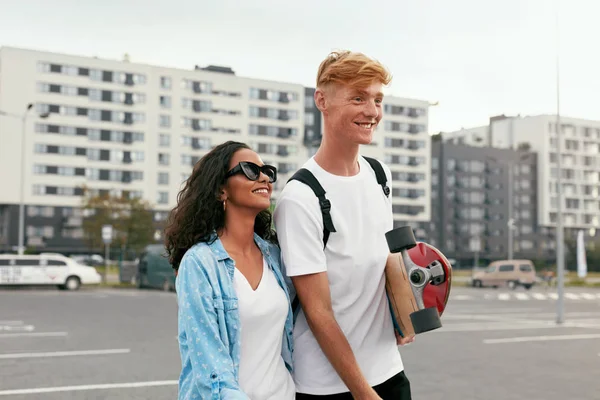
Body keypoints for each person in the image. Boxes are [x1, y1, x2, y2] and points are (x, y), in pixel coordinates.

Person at [273, 50, 414, 400]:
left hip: (389, 370)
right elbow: (319, 314)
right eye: (358, 97)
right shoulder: (301, 197)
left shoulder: (381, 175)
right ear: (322, 100)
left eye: (377, 99)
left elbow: (387, 256)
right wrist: (364, 393)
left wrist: (405, 312)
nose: (372, 111)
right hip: (330, 386)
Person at [164, 141, 295, 400]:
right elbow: (211, 369)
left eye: (267, 171)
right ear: (221, 191)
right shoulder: (200, 263)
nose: (264, 178)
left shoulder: (276, 257)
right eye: (249, 170)